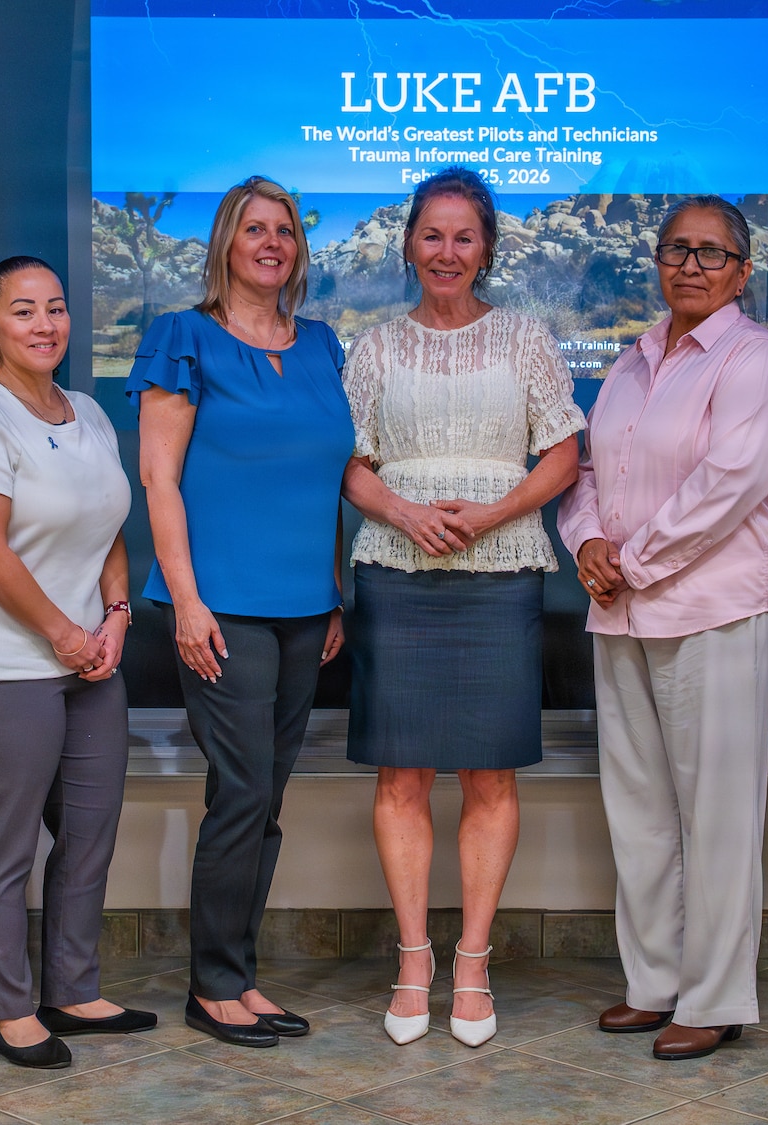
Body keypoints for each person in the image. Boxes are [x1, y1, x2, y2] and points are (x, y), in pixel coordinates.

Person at [341, 168, 585, 1048]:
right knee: (400, 776)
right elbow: (351, 462)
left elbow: (564, 454)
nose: (446, 252)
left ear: (487, 250)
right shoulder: (373, 347)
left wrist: (490, 516)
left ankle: (472, 963)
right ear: (409, 245)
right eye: (432, 235)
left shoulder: (525, 338)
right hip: (397, 575)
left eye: (464, 237)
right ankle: (414, 962)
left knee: (490, 776)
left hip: (500, 576)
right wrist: (406, 513)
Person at [555, 195, 768, 1062]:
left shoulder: (754, 356)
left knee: (718, 814)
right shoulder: (632, 359)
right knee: (640, 812)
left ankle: (716, 996)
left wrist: (634, 560)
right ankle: (654, 981)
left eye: (711, 252)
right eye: (676, 250)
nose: (691, 265)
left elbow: (732, 482)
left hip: (715, 612)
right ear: (656, 261)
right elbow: (589, 469)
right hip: (621, 613)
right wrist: (587, 541)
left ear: (743, 270)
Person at [128, 177, 353, 1048]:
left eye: (284, 229)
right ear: (225, 241)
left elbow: (324, 479)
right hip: (220, 606)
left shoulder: (322, 343)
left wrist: (330, 593)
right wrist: (186, 601)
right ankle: (213, 985)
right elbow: (159, 480)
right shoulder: (182, 337)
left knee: (266, 797)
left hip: (305, 608)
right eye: (254, 228)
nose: (271, 242)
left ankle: (241, 976)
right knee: (242, 792)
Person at [0, 256, 157, 1069]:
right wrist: (66, 633)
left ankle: (73, 988)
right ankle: (9, 1009)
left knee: (90, 834)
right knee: (5, 847)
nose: (44, 323)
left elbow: (107, 528)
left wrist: (117, 616)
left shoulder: (87, 411)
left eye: (55, 307)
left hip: (90, 659)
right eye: (23, 309)